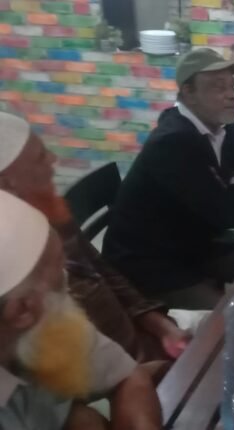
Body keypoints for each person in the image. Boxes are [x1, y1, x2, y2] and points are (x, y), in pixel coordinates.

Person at [0, 111, 190, 362]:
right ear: (7, 184)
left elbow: (102, 270)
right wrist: (138, 373)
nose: (53, 159)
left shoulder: (51, 211)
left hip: (140, 345)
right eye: (40, 157)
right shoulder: (12, 271)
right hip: (111, 372)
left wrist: (160, 326)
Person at [102, 48, 234, 310]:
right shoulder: (172, 143)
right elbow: (231, 216)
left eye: (231, 85)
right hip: (151, 263)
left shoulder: (226, 124)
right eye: (218, 87)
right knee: (231, 316)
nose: (231, 95)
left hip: (196, 242)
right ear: (188, 93)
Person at [0, 189, 162, 430]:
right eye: (59, 265)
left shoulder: (44, 325)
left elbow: (127, 377)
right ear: (22, 311)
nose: (68, 275)